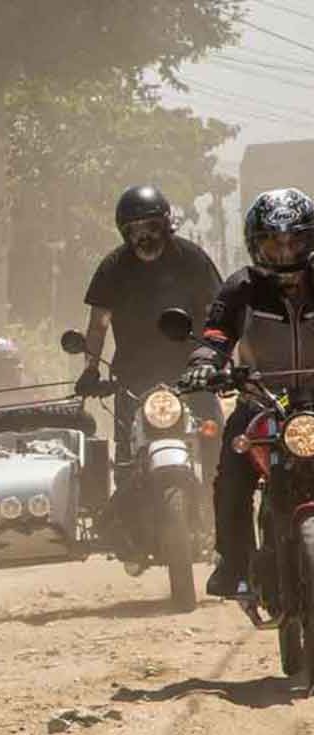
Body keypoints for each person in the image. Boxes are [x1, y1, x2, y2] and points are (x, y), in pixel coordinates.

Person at [185, 188, 314, 597]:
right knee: (232, 475)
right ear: (256, 244)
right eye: (274, 243)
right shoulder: (241, 287)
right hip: (262, 401)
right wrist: (204, 364)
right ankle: (233, 563)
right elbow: (216, 335)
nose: (285, 252)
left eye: (294, 241)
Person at [76, 185, 224, 467]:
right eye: (135, 230)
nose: (144, 236)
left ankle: (219, 491)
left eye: (152, 227)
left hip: (192, 374)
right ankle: (127, 492)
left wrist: (216, 360)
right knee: (126, 459)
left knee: (216, 444)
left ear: (166, 225)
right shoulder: (113, 268)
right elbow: (98, 326)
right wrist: (91, 369)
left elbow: (216, 316)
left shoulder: (192, 259)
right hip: (133, 377)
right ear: (124, 233)